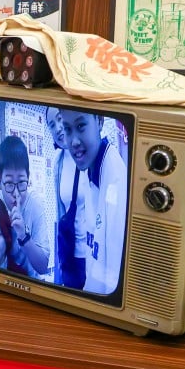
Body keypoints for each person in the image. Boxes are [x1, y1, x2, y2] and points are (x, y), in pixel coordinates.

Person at [58, 109, 128, 295]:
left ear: (100, 121)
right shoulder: (88, 170)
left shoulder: (114, 177)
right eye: (67, 129)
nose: (73, 141)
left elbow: (113, 276)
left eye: (81, 126)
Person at [0, 135, 50, 277]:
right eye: (9, 184)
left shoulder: (35, 205)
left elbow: (43, 267)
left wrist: (23, 236)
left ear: (28, 177)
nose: (16, 194)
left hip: (30, 284)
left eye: (21, 183)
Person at [46, 106, 86, 289]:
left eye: (59, 119)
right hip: (71, 253)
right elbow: (60, 214)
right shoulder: (58, 161)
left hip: (92, 254)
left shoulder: (89, 152)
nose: (57, 128)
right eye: (51, 125)